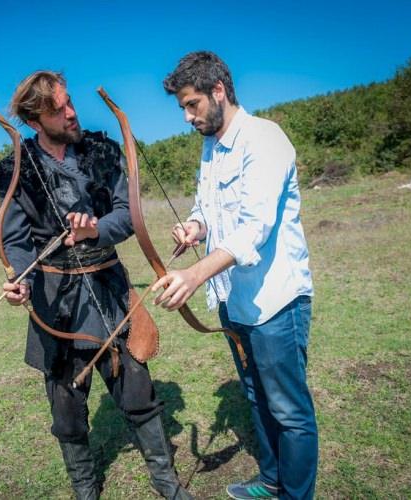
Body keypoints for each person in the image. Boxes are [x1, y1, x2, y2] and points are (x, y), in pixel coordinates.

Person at [0, 70, 191, 500]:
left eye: (69, 102)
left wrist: (94, 230)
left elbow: (127, 216)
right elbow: (15, 240)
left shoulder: (100, 150)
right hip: (55, 301)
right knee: (66, 409)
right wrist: (22, 280)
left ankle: (166, 482)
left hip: (108, 288)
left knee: (137, 388)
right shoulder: (17, 169)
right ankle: (85, 487)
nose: (71, 112)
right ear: (34, 121)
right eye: (58, 109)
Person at [154, 52, 318, 500]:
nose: (187, 117)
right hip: (234, 301)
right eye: (183, 108)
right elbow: (208, 209)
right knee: (256, 397)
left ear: (218, 91)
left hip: (275, 302)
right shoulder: (211, 146)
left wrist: (193, 275)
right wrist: (194, 227)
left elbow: (254, 228)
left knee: (289, 411)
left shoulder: (265, 139)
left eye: (192, 105)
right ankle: (270, 481)